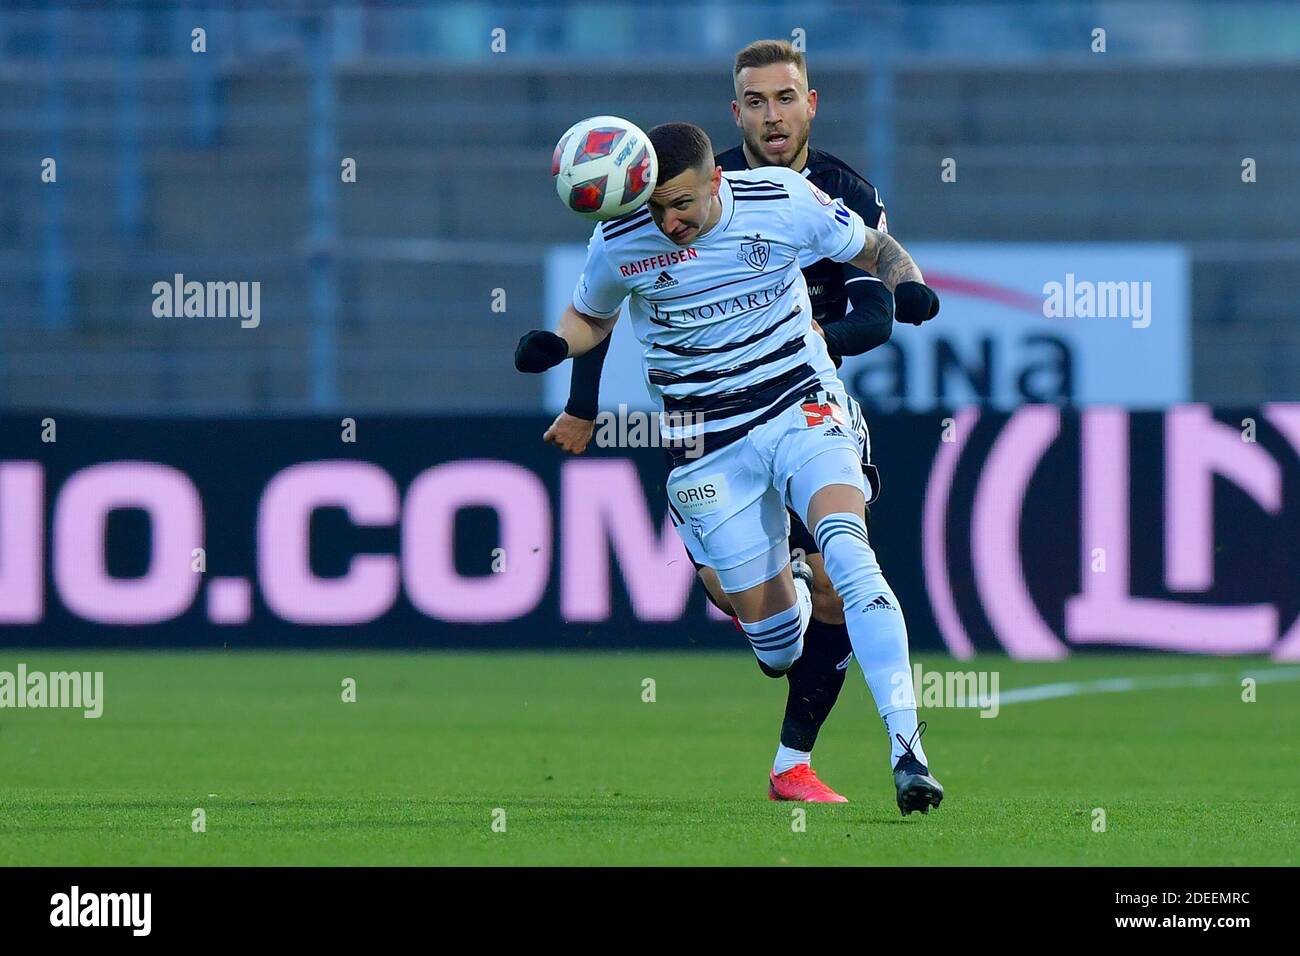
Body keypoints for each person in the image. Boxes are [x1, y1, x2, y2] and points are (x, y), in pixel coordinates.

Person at [516, 120, 943, 814]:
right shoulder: (621, 240)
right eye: (657, 207)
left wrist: (908, 283)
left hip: (799, 402)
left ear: (717, 181)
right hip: (705, 439)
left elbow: (872, 246)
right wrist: (555, 344)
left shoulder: (780, 198)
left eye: (682, 203)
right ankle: (787, 582)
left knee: (850, 552)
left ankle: (908, 752)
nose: (670, 220)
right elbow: (591, 317)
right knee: (776, 646)